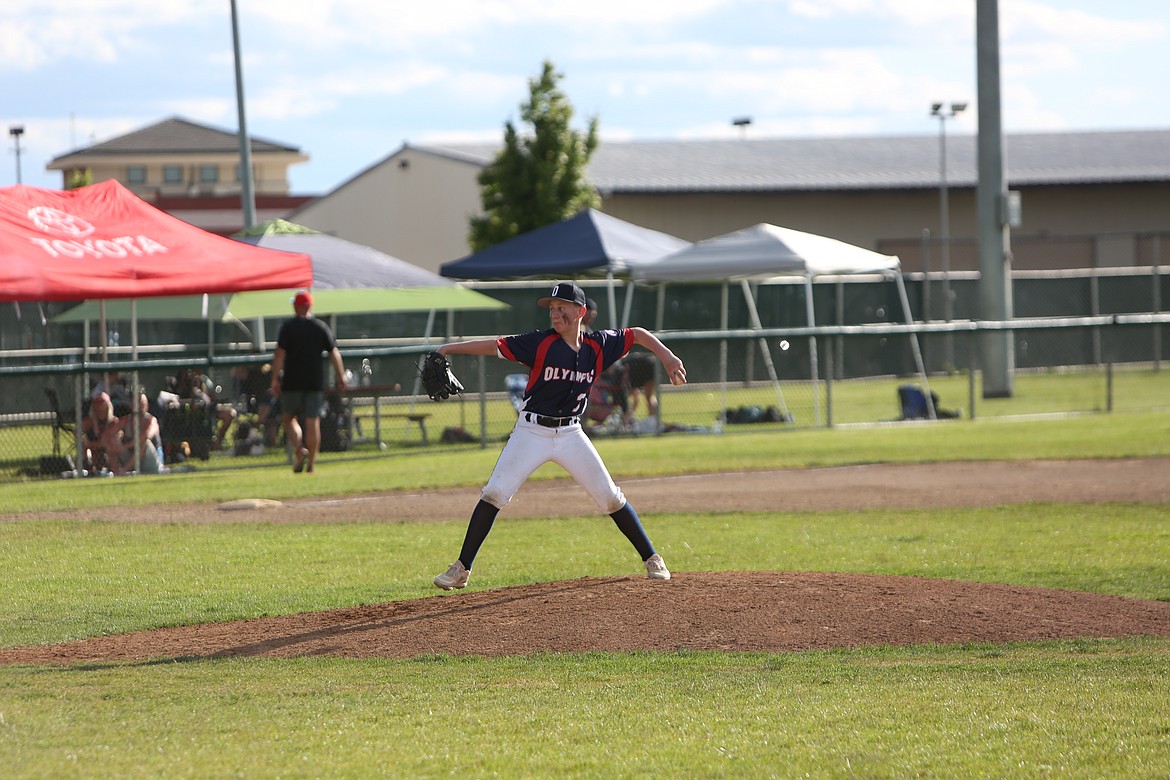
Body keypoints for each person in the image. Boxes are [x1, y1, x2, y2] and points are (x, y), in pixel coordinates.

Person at [432, 281, 687, 591]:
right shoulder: (539, 343)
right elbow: (495, 345)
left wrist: (667, 356)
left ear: (580, 312)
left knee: (609, 496)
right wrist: (446, 349)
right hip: (531, 431)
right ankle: (462, 568)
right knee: (495, 493)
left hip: (570, 433)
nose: (555, 313)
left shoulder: (598, 345)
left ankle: (652, 558)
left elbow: (638, 334)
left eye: (562, 307)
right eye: (552, 309)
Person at [270, 290, 348, 474]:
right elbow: (334, 352)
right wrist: (341, 376)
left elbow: (280, 354)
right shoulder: (320, 327)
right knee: (313, 422)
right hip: (314, 381)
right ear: (310, 306)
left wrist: (274, 378)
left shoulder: (288, 327)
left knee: (288, 418)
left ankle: (299, 448)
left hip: (292, 382)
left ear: (295, 307)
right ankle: (312, 464)